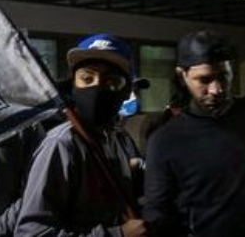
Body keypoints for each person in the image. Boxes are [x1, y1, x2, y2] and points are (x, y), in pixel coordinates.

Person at [144, 30, 245, 237]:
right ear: (182, 76)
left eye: (223, 76)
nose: (216, 89)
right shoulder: (165, 140)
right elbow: (157, 214)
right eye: (204, 80)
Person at [14, 33, 147, 237]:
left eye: (111, 81)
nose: (97, 87)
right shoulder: (61, 143)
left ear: (126, 90)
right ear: (74, 85)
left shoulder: (117, 139)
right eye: (87, 78)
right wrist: (116, 234)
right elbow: (31, 233)